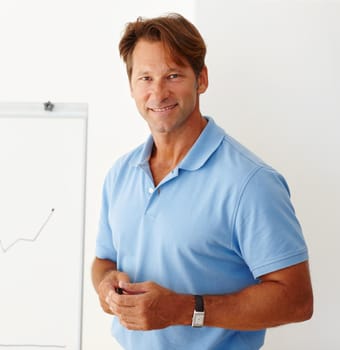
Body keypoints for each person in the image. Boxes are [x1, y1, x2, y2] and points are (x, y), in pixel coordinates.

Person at [91, 13, 313, 349]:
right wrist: (107, 285)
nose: (158, 92)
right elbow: (104, 261)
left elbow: (296, 299)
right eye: (145, 78)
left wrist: (184, 309)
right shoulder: (120, 175)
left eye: (173, 75)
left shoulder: (250, 182)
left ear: (202, 79)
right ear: (132, 86)